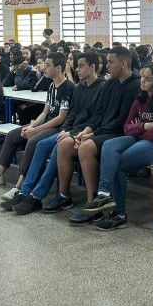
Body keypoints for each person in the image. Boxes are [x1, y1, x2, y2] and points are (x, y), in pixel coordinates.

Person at [79, 64, 153, 230]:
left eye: (148, 79)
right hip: (141, 137)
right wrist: (144, 126)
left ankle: (119, 214)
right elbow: (126, 127)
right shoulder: (141, 98)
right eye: (142, 77)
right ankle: (104, 193)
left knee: (118, 162)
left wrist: (138, 128)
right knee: (110, 145)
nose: (143, 81)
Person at [8, 53, 105, 215]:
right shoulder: (80, 87)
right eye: (77, 65)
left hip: (87, 132)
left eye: (81, 66)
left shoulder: (102, 87)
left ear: (93, 67)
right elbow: (72, 115)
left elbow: (97, 117)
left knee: (57, 148)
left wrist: (74, 132)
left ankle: (37, 195)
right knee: (41, 144)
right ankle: (25, 191)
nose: (76, 69)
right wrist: (66, 129)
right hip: (72, 129)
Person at [57, 46, 141, 225]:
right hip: (103, 131)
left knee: (86, 147)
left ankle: (93, 204)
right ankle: (64, 195)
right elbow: (98, 112)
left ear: (124, 63)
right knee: (65, 144)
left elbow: (122, 121)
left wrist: (92, 135)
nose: (107, 65)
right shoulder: (110, 83)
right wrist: (86, 130)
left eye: (111, 62)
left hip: (121, 134)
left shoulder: (135, 85)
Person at [0, 52, 73, 196]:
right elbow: (45, 112)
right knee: (12, 135)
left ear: (58, 68)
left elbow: (60, 118)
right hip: (46, 123)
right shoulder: (52, 86)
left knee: (33, 141)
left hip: (58, 128)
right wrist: (31, 126)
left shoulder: (68, 88)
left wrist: (36, 130)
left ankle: (20, 185)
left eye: (47, 65)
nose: (43, 68)